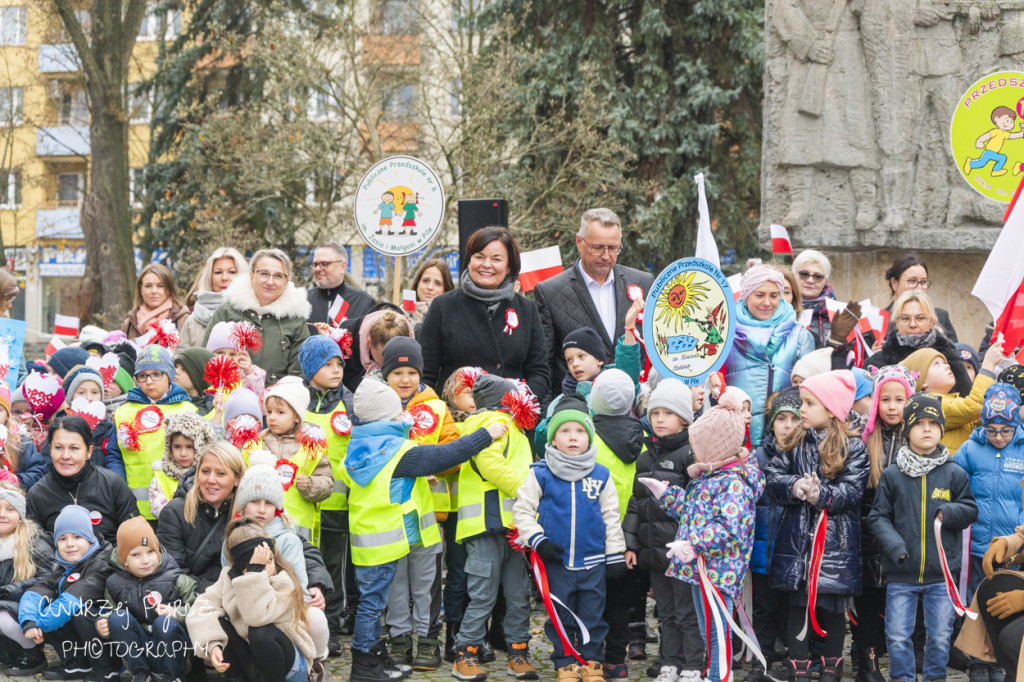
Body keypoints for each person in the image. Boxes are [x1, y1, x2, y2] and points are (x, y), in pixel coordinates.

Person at [341, 378, 507, 682]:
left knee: (373, 602)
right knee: (371, 605)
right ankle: (364, 664)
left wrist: (413, 480)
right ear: (387, 415)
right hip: (386, 539)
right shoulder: (395, 450)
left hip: (370, 540)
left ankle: (375, 655)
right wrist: (485, 435)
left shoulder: (363, 444)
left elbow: (385, 481)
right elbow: (444, 455)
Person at [639, 391, 765, 682]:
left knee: (717, 628)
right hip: (702, 569)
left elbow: (730, 529)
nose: (693, 452)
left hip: (718, 572)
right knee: (707, 624)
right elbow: (694, 512)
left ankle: (721, 676)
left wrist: (694, 544)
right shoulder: (708, 478)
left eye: (698, 446)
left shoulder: (732, 483)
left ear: (715, 446)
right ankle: (713, 672)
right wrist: (667, 495)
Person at [764, 370, 869, 682]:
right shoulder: (793, 441)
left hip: (835, 546)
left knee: (833, 609)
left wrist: (821, 494)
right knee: (799, 605)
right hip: (799, 546)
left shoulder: (853, 447)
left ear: (831, 408)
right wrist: (795, 486)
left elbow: (851, 493)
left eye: (809, 403)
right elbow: (772, 477)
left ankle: (831, 666)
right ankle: (798, 665)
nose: (802, 409)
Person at [869, 393, 978, 682]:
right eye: (919, 423)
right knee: (897, 637)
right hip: (901, 575)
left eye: (933, 423)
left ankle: (934, 677)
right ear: (907, 431)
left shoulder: (954, 472)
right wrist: (896, 548)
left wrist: (949, 511)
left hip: (941, 578)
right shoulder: (893, 475)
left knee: (941, 637)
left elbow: (970, 509)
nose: (927, 428)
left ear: (942, 428)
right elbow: (878, 517)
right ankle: (902, 677)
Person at [513, 406, 626, 682]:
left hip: (593, 563)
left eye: (580, 432)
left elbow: (611, 516)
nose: (573, 437)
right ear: (553, 440)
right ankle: (565, 662)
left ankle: (592, 662)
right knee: (561, 615)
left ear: (589, 438)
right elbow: (523, 511)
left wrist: (615, 555)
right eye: (565, 431)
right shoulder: (540, 473)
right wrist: (538, 541)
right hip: (557, 563)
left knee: (593, 615)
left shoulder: (601, 475)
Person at [450, 374, 540, 681]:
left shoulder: (511, 427)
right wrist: (528, 490)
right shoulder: (487, 424)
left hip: (513, 529)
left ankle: (518, 651)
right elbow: (489, 465)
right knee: (483, 595)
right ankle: (466, 653)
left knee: (518, 594)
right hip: (486, 526)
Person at [622, 379, 703, 682]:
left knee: (686, 612)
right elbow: (636, 504)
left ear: (683, 418)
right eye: (655, 413)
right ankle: (669, 660)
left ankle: (693, 662)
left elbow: (697, 505)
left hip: (681, 553)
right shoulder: (645, 457)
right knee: (665, 612)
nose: (659, 419)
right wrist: (631, 544)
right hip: (654, 553)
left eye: (667, 413)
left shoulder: (689, 454)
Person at [420, 227, 550, 402]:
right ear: (469, 260)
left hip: (509, 416)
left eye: (496, 259)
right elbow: (425, 372)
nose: (486, 265)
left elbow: (539, 371)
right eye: (479, 257)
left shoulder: (526, 309)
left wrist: (522, 404)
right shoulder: (443, 306)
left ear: (509, 266)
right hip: (455, 420)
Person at [185, 522, 320, 682]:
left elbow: (257, 617)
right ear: (240, 566)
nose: (268, 569)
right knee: (220, 623)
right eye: (258, 565)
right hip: (256, 666)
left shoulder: (283, 581)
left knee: (260, 632)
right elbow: (200, 610)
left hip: (290, 669)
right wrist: (213, 644)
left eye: (270, 560)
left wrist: (254, 572)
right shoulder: (228, 578)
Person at [955, 383, 1024, 682]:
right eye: (992, 429)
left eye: (1005, 430)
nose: (998, 436)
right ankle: (976, 661)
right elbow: (957, 489)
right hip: (977, 544)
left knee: (1005, 601)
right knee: (976, 602)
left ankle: (999, 660)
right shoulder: (969, 449)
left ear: (1016, 425)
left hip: (1014, 547)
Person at [534, 208, 654, 378]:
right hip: (579, 400)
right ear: (579, 242)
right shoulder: (550, 292)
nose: (606, 256)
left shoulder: (643, 282)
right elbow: (544, 364)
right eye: (597, 248)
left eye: (613, 248)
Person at [231, 455, 330, 660]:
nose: (261, 509)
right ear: (242, 505)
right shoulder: (233, 538)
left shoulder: (288, 540)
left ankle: (315, 662)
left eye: (268, 503)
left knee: (316, 619)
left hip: (284, 610)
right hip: (246, 609)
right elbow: (228, 580)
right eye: (254, 501)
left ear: (277, 507)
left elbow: (298, 589)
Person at [854, 365, 916, 682]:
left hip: (902, 539)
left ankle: (899, 662)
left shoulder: (916, 439)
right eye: (886, 399)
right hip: (868, 536)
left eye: (900, 399)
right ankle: (868, 664)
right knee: (868, 604)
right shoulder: (864, 440)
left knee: (897, 606)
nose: (892, 407)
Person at [298, 335, 354, 657]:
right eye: (326, 364)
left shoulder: (350, 402)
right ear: (309, 369)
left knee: (333, 571)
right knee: (304, 568)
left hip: (338, 505)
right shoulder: (296, 402)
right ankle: (304, 626)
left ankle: (330, 629)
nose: (335, 370)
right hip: (303, 505)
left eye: (339, 364)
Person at [17, 505, 118, 681]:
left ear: (90, 539)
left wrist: (39, 626)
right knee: (48, 603)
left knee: (80, 611)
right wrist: (29, 621)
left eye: (77, 537)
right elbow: (36, 592)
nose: (69, 544)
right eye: (62, 538)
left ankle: (108, 669)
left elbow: (71, 601)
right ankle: (78, 662)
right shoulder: (63, 567)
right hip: (81, 630)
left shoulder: (102, 565)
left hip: (109, 636)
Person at [725, 265, 815, 446]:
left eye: (774, 296)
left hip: (786, 440)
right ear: (746, 295)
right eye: (759, 295)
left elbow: (810, 393)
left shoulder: (799, 336)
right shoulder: (724, 332)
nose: (767, 302)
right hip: (733, 438)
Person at [100, 516, 194, 682]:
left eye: (150, 552)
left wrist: (177, 613)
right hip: (141, 650)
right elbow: (111, 613)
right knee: (118, 617)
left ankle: (173, 677)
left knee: (163, 623)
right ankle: (141, 674)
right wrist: (104, 624)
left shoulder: (175, 577)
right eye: (135, 555)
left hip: (172, 651)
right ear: (124, 560)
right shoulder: (114, 584)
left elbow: (199, 610)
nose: (145, 560)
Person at [110, 345, 199, 520]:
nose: (149, 381)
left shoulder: (187, 410)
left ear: (169, 376)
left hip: (179, 504)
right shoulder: (124, 412)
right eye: (143, 375)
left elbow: (199, 455)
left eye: (157, 374)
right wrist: (120, 488)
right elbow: (114, 454)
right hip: (133, 508)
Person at [749, 388, 800, 682]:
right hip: (765, 549)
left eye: (794, 418)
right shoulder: (759, 457)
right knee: (765, 610)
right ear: (771, 424)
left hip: (794, 549)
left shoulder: (807, 454)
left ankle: (797, 660)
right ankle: (761, 659)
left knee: (793, 609)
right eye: (781, 418)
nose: (788, 425)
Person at [204, 249, 312, 383]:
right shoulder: (228, 310)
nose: (270, 281)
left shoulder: (295, 320)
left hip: (277, 400)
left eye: (278, 276)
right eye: (264, 274)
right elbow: (206, 359)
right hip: (228, 397)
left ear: (286, 281)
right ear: (251, 276)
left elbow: (299, 373)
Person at [27, 416, 137, 544]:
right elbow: (37, 547)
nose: (66, 456)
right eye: (59, 447)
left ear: (89, 451)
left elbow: (133, 537)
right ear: (50, 450)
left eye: (74, 448)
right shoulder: (37, 494)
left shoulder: (112, 484)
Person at [157, 442, 246, 592]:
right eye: (205, 471)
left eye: (220, 473)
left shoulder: (247, 515)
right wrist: (211, 594)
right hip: (190, 600)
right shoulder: (174, 513)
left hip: (235, 598)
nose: (211, 480)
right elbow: (172, 573)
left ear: (237, 479)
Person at [258, 378, 333, 544]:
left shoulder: (311, 446)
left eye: (280, 412)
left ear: (297, 417)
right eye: (269, 412)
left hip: (299, 529)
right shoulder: (258, 443)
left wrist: (311, 485)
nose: (272, 418)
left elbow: (327, 482)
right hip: (263, 527)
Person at [900, 342, 1003, 454]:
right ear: (922, 381)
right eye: (936, 364)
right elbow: (973, 406)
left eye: (945, 362)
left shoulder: (949, 400)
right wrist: (988, 366)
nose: (947, 366)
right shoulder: (929, 403)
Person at [867, 290, 971, 395]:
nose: (912, 324)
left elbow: (966, 398)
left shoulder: (949, 357)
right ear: (897, 322)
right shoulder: (879, 362)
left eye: (920, 318)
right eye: (905, 318)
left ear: (931, 322)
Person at [0, 482, 54, 676]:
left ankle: (33, 652)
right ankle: (8, 651)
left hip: (26, 605)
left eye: (10, 509)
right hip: (3, 601)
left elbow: (50, 576)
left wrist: (17, 587)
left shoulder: (33, 542)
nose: (2, 514)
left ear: (20, 514)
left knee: (2, 617)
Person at [148, 412, 216, 519]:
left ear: (200, 446)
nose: (183, 453)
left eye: (189, 447)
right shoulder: (161, 475)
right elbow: (157, 509)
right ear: (169, 447)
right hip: (172, 530)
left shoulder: (207, 474)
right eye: (177, 447)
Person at [180, 247, 249, 348]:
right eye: (218, 272)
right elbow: (180, 358)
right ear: (209, 277)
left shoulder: (253, 314)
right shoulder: (193, 321)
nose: (224, 278)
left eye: (231, 272)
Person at [882, 256, 958, 341]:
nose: (919, 288)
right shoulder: (879, 320)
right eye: (912, 281)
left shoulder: (940, 316)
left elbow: (954, 350)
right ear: (894, 284)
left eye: (923, 282)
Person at [306, 243, 375, 327]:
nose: (317, 269)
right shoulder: (303, 301)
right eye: (315, 264)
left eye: (324, 264)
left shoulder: (363, 302)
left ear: (342, 267)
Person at [121, 263, 190, 340]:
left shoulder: (184, 320)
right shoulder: (129, 325)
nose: (154, 291)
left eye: (160, 286)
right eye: (148, 286)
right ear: (141, 290)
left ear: (168, 290)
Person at [206, 321, 268, 396]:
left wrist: (249, 375)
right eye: (220, 353)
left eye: (232, 354)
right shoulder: (204, 372)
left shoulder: (250, 374)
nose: (226, 358)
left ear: (241, 356)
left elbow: (258, 401)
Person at [791, 250, 835, 349]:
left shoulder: (836, 313)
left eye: (817, 276)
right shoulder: (779, 307)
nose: (810, 280)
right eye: (804, 274)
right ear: (793, 276)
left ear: (825, 281)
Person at [406, 258, 455, 333]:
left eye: (437, 283)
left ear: (446, 290)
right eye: (425, 281)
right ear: (417, 283)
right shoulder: (398, 315)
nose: (430, 287)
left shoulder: (454, 321)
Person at [173, 347, 215, 415]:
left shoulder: (212, 408)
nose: (176, 371)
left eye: (184, 369)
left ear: (199, 377)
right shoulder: (163, 399)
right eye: (176, 366)